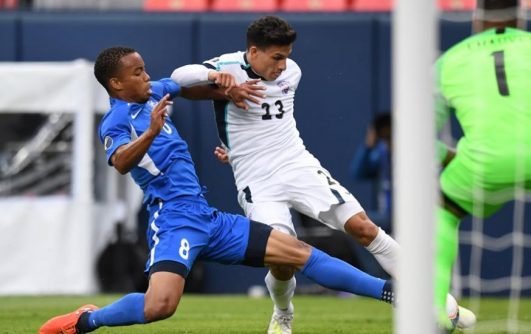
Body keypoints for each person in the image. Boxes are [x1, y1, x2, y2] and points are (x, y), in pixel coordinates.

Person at [38, 46, 396, 334]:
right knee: (159, 306)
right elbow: (119, 162)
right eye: (137, 73)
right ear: (116, 85)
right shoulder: (116, 121)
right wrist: (149, 132)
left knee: (298, 253)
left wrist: (228, 88)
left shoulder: (154, 93)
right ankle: (87, 321)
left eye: (145, 69)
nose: (147, 76)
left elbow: (185, 86)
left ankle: (391, 293)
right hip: (173, 220)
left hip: (206, 217)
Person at [171, 15, 474, 333]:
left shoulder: (293, 72)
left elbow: (267, 124)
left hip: (297, 165)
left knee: (364, 227)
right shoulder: (228, 67)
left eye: (286, 56)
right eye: (276, 57)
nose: (282, 65)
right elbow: (180, 78)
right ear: (254, 51)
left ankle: (435, 297)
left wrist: (231, 132)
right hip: (257, 181)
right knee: (282, 257)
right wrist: (216, 79)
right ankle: (283, 311)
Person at [434, 0, 531, 328]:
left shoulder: (448, 61)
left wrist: (445, 156)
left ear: (475, 18)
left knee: (440, 211)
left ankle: (433, 312)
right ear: (521, 17)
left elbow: (415, 133)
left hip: (484, 162)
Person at [350, 112, 392, 232]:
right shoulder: (381, 154)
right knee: (351, 220)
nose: (388, 141)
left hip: (407, 214)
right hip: (387, 215)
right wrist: (368, 146)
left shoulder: (411, 156)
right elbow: (358, 173)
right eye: (385, 137)